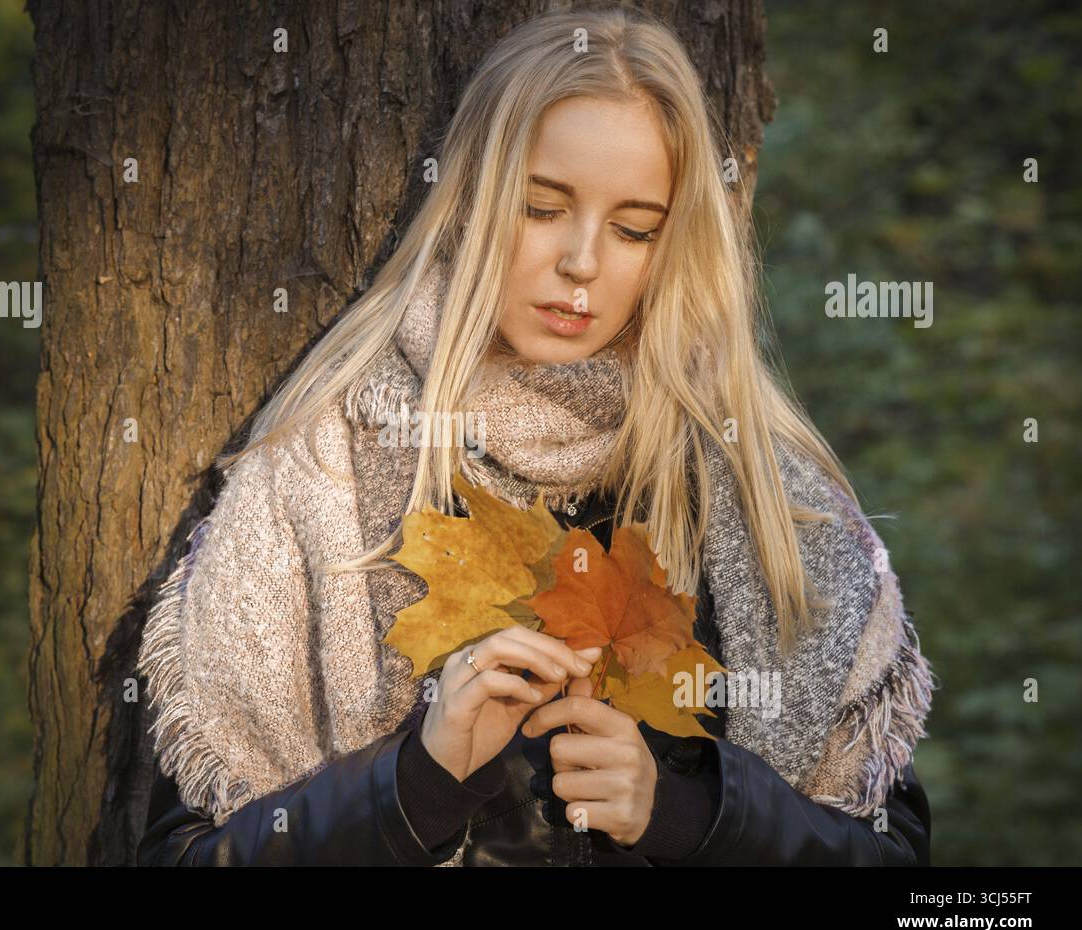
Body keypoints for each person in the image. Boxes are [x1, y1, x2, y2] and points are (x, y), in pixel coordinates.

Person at [135, 6, 936, 867]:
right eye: (543, 208)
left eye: (634, 228)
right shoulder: (320, 465)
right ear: (473, 195)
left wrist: (692, 816)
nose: (583, 261)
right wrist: (416, 784)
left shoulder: (769, 501)